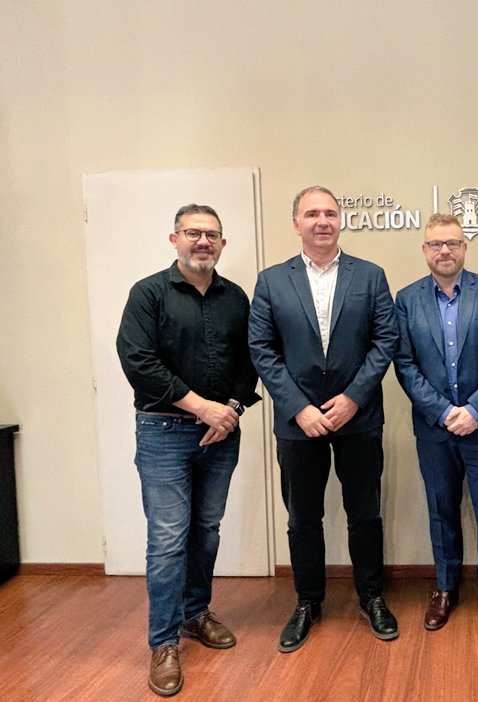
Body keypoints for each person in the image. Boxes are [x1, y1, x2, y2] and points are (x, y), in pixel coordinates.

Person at [116, 204, 260, 696]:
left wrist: (233, 410)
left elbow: (250, 361)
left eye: (213, 235)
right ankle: (163, 642)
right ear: (174, 238)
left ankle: (195, 614)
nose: (204, 242)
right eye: (194, 233)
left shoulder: (235, 297)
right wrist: (202, 407)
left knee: (205, 530)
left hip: (221, 435)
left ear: (223, 244)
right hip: (163, 431)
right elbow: (137, 360)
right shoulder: (149, 293)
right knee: (167, 538)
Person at [248, 185, 400, 652]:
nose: (322, 221)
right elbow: (262, 349)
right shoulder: (272, 280)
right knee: (302, 519)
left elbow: (385, 340)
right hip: (299, 423)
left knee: (365, 514)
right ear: (296, 222)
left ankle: (371, 596)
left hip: (358, 418)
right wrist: (298, 407)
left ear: (340, 221)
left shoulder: (370, 276)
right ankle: (307, 602)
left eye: (330, 213)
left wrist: (354, 397)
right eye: (312, 213)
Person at [393, 213, 478, 642]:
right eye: (435, 244)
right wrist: (445, 412)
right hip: (435, 429)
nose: (444, 251)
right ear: (425, 250)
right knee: (441, 510)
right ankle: (445, 588)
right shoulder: (407, 299)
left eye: (452, 243)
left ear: (465, 247)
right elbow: (404, 364)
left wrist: (476, 409)